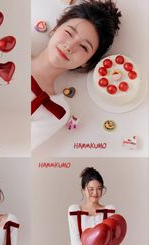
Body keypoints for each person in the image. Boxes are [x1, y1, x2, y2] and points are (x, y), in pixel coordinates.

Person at [31, 0, 121, 149]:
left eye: (84, 47)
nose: (70, 46)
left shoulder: (56, 111)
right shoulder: (10, 51)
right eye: (68, 33)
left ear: (86, 62)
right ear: (55, 29)